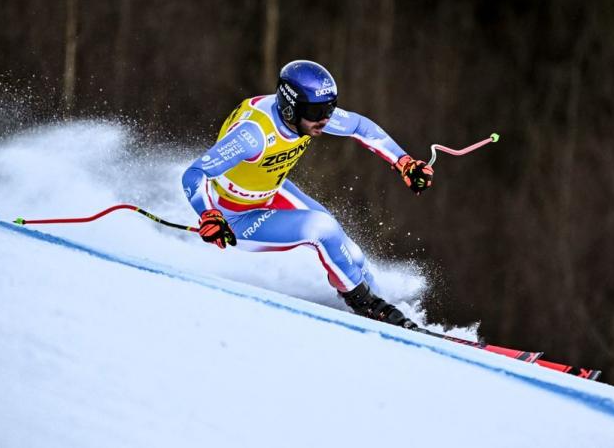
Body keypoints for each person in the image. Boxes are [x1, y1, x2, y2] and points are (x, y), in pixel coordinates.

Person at [182, 60, 434, 329]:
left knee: (349, 250)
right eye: (317, 111)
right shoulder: (253, 135)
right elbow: (195, 174)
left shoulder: (308, 116)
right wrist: (209, 215)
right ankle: (367, 306)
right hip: (235, 217)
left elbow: (360, 127)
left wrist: (404, 162)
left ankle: (386, 305)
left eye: (330, 108)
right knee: (322, 229)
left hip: (270, 191)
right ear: (290, 107)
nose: (325, 119)